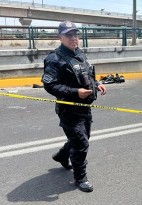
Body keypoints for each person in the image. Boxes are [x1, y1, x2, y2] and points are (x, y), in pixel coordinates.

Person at [41, 21, 107, 192]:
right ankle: (80, 178)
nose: (73, 38)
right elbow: (50, 85)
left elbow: (87, 75)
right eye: (68, 35)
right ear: (60, 37)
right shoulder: (54, 59)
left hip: (84, 107)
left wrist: (97, 84)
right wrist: (75, 92)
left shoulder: (79, 54)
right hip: (68, 109)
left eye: (75, 34)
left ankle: (62, 155)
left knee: (83, 138)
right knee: (81, 143)